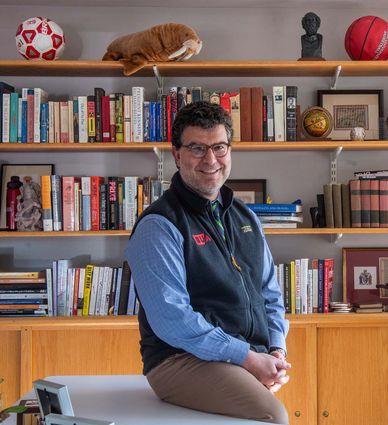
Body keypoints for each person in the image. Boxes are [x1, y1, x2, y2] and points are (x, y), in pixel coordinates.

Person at [125, 101, 291, 424]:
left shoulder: (246, 218)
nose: (210, 159)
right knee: (272, 416)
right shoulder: (159, 225)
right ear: (176, 154)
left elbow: (270, 295)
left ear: (229, 150)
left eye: (219, 147)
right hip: (178, 360)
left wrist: (276, 351)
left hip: (245, 354)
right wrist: (246, 357)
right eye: (197, 148)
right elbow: (173, 319)